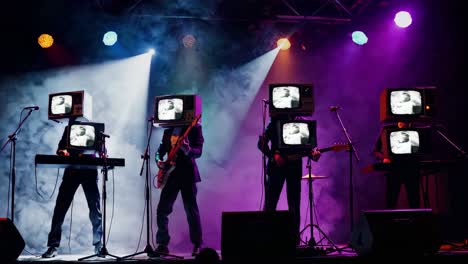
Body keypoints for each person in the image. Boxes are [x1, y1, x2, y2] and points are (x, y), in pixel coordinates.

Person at [42, 119, 103, 258]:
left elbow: (102, 151)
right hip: (72, 171)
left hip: (90, 171)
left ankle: (98, 245)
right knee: (60, 209)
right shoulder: (68, 130)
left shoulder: (94, 131)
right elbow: (60, 148)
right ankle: (53, 246)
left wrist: (102, 153)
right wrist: (62, 151)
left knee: (95, 209)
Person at [258, 115, 320, 245]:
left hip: (294, 167)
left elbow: (310, 148)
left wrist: (314, 154)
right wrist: (273, 155)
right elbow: (261, 143)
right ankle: (266, 239)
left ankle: (294, 242)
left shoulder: (302, 122)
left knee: (294, 205)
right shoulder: (275, 121)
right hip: (276, 167)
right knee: (271, 203)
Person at [153, 121, 204, 257]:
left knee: (191, 211)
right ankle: (162, 244)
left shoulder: (195, 128)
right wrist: (158, 160)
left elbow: (198, 152)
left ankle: (197, 244)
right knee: (162, 210)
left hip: (188, 174)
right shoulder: (168, 130)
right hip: (171, 175)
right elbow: (160, 151)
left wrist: (188, 149)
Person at [373, 122, 421, 209]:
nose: (402, 122)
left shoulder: (415, 129)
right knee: (391, 201)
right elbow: (376, 150)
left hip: (411, 169)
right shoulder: (387, 129)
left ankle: (417, 221)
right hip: (394, 169)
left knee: (414, 201)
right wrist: (384, 158)